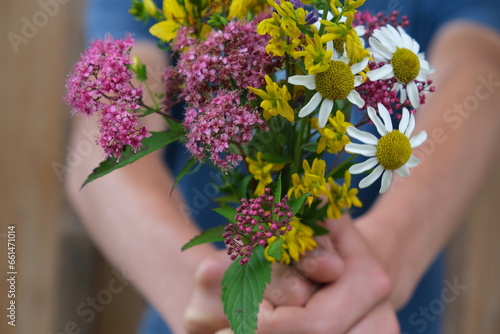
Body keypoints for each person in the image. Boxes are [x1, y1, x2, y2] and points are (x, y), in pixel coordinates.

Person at [67, 0, 500, 333]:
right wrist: (208, 299)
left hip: (379, 315)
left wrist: (386, 253)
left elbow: (481, 61)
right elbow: (100, 143)